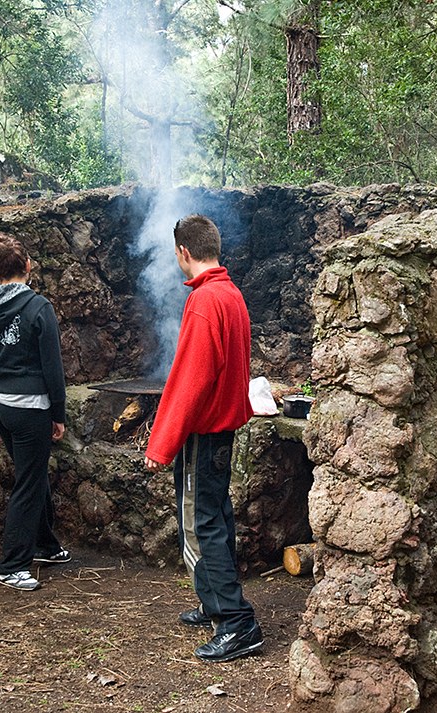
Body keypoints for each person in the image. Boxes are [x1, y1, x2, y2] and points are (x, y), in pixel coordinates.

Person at [144, 214, 263, 663]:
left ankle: (237, 623)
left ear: (183, 253)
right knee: (218, 518)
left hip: (204, 434)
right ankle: (213, 601)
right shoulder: (230, 294)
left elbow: (189, 381)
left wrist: (162, 444)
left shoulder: (204, 302)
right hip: (223, 430)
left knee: (200, 525)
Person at [0, 233, 71, 592]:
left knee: (33, 473)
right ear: (28, 266)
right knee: (28, 483)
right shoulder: (38, 308)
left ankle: (45, 545)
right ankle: (12, 565)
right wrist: (59, 413)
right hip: (30, 410)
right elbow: (53, 369)